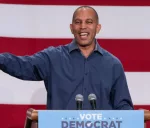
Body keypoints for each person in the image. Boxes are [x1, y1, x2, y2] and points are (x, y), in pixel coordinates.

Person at [0, 6, 133, 110]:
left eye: (89, 22)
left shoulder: (113, 65)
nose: (83, 26)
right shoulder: (53, 58)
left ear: (97, 28)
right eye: (78, 22)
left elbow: (123, 106)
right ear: (71, 28)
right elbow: (23, 65)